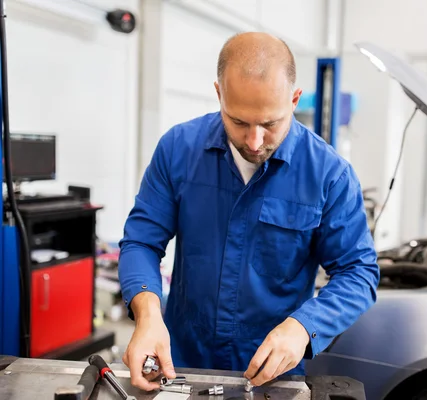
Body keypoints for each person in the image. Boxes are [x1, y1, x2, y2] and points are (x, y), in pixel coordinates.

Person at [118, 31, 380, 392]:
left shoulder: (329, 174)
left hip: (271, 375)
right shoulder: (178, 150)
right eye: (239, 122)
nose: (254, 142)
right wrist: (147, 315)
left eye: (270, 124)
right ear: (218, 94)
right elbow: (141, 242)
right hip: (181, 362)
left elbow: (357, 272)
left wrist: (303, 327)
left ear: (294, 99)